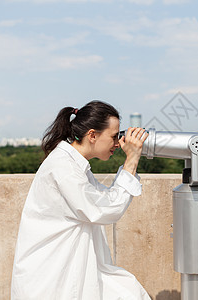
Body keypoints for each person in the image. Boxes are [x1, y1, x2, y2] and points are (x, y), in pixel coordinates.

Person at [11, 100, 151, 299]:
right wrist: (132, 160)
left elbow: (107, 199)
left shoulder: (74, 165)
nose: (118, 143)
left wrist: (131, 163)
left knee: (128, 291)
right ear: (92, 135)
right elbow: (105, 210)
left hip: (67, 269)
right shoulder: (64, 167)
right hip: (51, 275)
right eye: (113, 137)